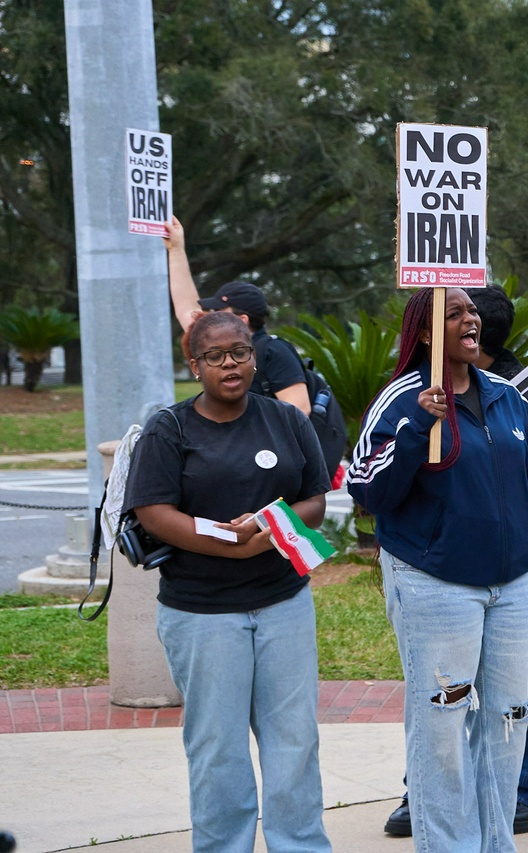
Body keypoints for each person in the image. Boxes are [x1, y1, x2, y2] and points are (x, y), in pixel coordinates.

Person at [347, 287, 528, 853]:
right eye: (454, 312)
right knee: (443, 727)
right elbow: (367, 490)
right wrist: (414, 429)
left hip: (510, 588)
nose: (471, 318)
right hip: (435, 584)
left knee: (506, 722)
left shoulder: (507, 397)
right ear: (426, 333)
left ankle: (496, 844)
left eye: (472, 311)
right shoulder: (402, 399)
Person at [124, 311, 331, 852]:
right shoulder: (169, 429)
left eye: (238, 351)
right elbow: (153, 511)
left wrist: (268, 524)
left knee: (295, 739)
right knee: (218, 747)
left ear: (254, 355)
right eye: (214, 356)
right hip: (201, 613)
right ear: (194, 365)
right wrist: (228, 541)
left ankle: (301, 844)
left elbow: (315, 499)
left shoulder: (286, 420)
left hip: (283, 602)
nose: (229, 364)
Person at [163, 215, 311, 416]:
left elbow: (300, 410)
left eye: (218, 312)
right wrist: (176, 249)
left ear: (242, 321)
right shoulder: (216, 343)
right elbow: (186, 308)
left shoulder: (274, 352)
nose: (210, 317)